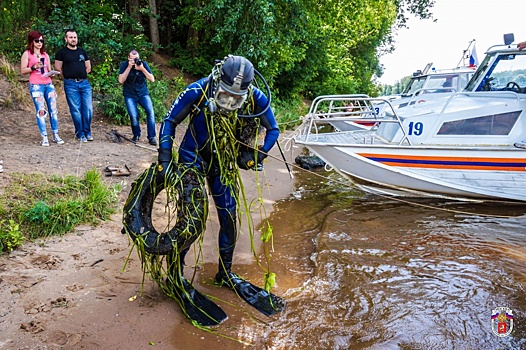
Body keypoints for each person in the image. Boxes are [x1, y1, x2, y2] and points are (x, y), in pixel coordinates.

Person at [157, 55, 284, 322]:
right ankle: (176, 276)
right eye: (226, 96)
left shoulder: (256, 98)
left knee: (229, 217)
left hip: (223, 163)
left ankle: (225, 272)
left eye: (236, 98)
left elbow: (273, 129)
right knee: (192, 220)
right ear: (218, 82)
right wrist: (165, 158)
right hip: (192, 158)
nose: (230, 102)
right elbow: (170, 121)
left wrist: (258, 155)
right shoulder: (199, 89)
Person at [20, 30, 64, 146]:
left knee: (53, 110)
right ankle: (44, 136)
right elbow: (23, 70)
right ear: (32, 41)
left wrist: (52, 73)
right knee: (41, 110)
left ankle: (55, 134)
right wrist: (34, 67)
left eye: (41, 41)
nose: (39, 43)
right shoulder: (27, 54)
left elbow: (48, 70)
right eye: (37, 40)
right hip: (36, 84)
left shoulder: (45, 55)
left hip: (48, 83)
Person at [55, 29, 93, 143]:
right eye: (70, 37)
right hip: (70, 84)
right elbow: (58, 68)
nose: (73, 39)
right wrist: (67, 77)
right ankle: (80, 133)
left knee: (88, 109)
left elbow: (88, 68)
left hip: (84, 83)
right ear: (66, 39)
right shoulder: (61, 53)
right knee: (75, 110)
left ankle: (87, 131)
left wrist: (81, 75)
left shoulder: (82, 52)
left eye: (74, 37)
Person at [118, 50, 157, 145]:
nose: (135, 61)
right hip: (130, 94)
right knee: (133, 115)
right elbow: (120, 80)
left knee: (150, 112)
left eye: (137, 59)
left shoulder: (143, 64)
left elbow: (152, 79)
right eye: (133, 59)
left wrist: (142, 69)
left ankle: (151, 137)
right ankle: (136, 134)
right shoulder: (124, 65)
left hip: (143, 93)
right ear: (128, 58)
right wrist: (129, 67)